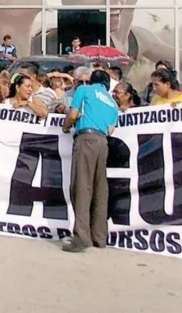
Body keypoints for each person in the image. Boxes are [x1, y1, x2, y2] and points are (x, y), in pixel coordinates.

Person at [62, 70, 119, 253]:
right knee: (100, 189)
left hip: (86, 139)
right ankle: (99, 237)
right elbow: (111, 130)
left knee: (82, 187)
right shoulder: (112, 102)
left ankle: (81, 238)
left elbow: (72, 114)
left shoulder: (84, 91)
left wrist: (66, 127)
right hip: (103, 142)